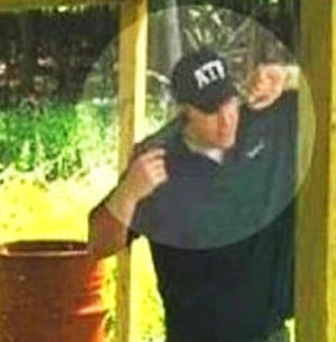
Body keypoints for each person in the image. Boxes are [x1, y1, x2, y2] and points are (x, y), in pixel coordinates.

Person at [88, 47, 299, 342]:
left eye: (230, 103)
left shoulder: (265, 119)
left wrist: (287, 76)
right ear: (185, 112)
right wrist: (128, 193)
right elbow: (98, 244)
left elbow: (326, 88)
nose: (226, 119)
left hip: (269, 332)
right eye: (211, 111)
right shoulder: (158, 161)